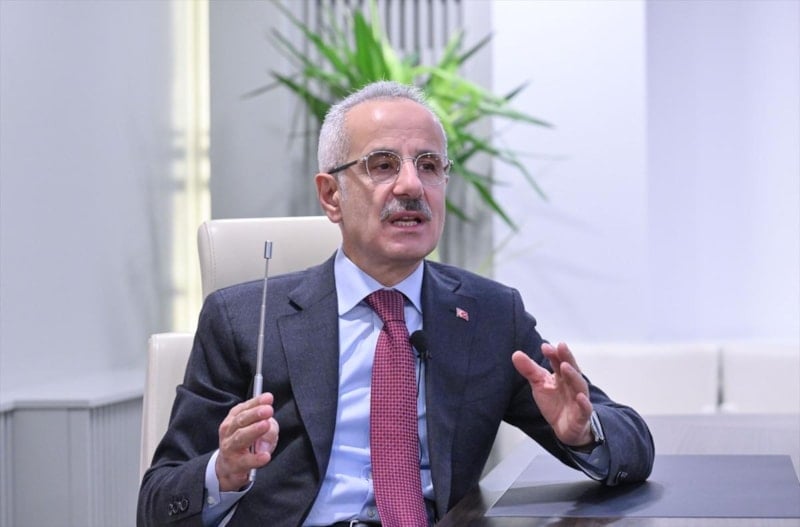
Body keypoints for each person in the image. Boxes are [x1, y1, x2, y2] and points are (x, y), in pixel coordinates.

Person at [137, 80, 654, 527]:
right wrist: (223, 471)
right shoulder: (245, 318)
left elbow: (634, 441)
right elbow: (157, 502)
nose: (411, 185)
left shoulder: (490, 316)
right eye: (382, 165)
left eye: (429, 166)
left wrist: (584, 433)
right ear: (331, 195)